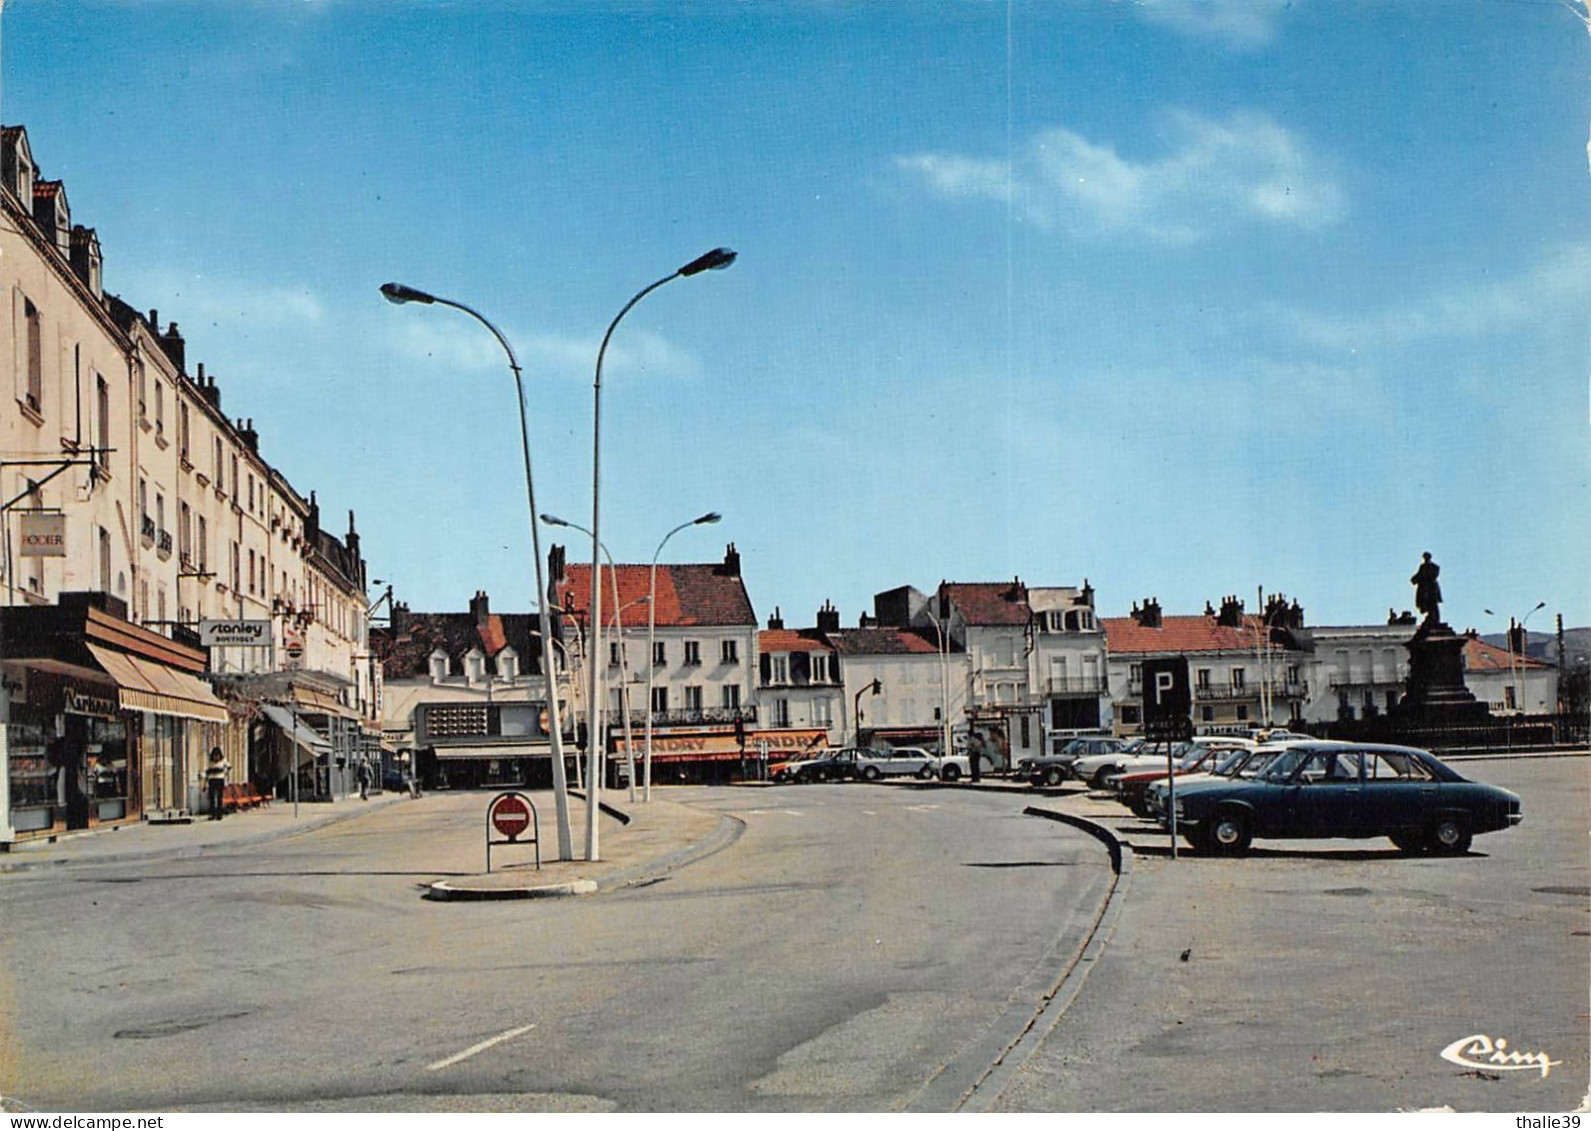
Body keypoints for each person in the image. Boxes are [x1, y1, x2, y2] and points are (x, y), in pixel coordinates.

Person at [204, 747, 229, 820]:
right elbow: (207, 772)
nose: (216, 757)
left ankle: (219, 814)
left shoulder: (223, 761)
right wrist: (205, 783)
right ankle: (212, 814)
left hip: (220, 780)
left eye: (217, 755)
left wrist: (224, 772)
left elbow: (228, 767)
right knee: (212, 798)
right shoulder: (210, 762)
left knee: (219, 798)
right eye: (215, 756)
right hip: (212, 780)